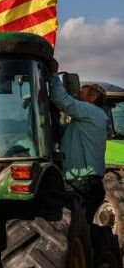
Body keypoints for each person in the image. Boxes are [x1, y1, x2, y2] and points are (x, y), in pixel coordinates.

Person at [48, 58, 108, 221]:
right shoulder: (84, 120)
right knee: (82, 232)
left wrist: (53, 74)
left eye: (81, 93)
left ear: (93, 97)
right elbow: (61, 135)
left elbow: (64, 101)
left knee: (73, 230)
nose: (77, 95)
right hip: (87, 184)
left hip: (83, 184)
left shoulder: (90, 111)